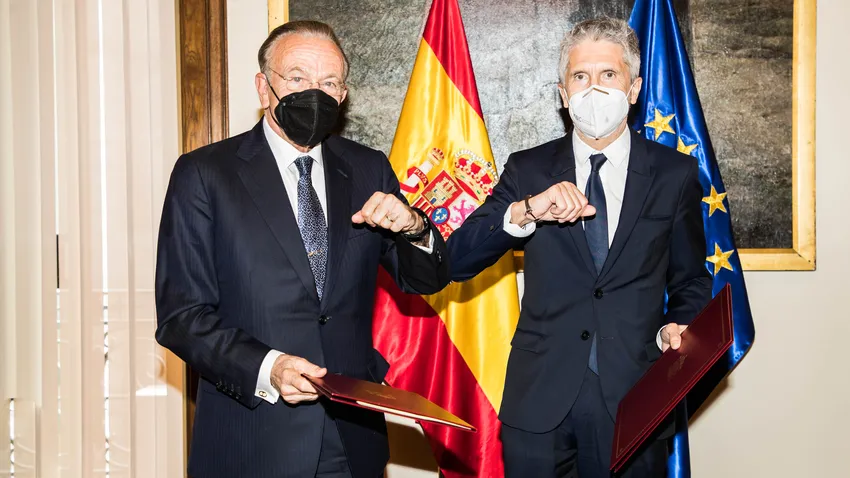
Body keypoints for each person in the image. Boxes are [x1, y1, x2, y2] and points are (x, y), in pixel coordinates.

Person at [155, 20, 450, 478]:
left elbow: (424, 279)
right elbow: (182, 316)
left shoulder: (368, 168)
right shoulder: (205, 174)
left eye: (328, 83)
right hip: (252, 435)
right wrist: (269, 367)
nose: (314, 92)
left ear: (343, 95)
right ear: (263, 87)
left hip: (352, 437)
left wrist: (414, 227)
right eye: (297, 77)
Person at [447, 17, 712, 477]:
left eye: (609, 74)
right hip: (539, 399)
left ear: (633, 89)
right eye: (580, 77)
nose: (594, 89)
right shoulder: (528, 170)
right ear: (563, 93)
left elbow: (690, 279)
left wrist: (680, 323)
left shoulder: (675, 174)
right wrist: (527, 211)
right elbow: (459, 259)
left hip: (634, 395)